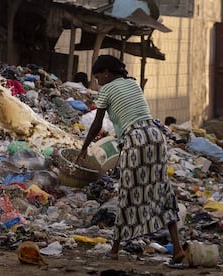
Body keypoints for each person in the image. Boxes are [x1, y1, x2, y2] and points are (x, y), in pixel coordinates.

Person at [75, 55, 185, 263]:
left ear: (106, 72)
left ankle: (115, 249)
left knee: (127, 193)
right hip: (155, 136)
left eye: (98, 78)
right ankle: (177, 248)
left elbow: (97, 124)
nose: (98, 83)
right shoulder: (133, 84)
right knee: (162, 190)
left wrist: (84, 148)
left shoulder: (106, 90)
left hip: (135, 139)